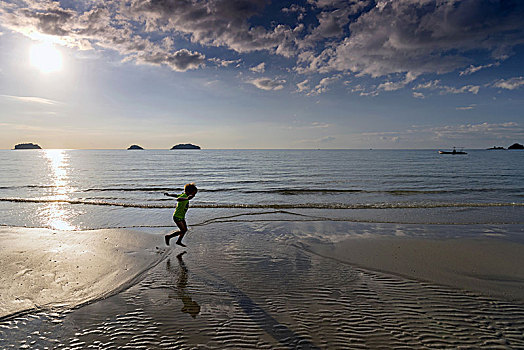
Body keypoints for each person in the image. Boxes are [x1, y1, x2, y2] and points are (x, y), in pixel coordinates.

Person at [164, 183, 198, 247]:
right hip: (177, 217)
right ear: (188, 192)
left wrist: (169, 195)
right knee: (183, 230)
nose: (194, 195)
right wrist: (187, 199)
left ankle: (179, 241)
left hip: (181, 217)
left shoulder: (184, 195)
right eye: (193, 194)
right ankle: (168, 237)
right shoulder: (184, 197)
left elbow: (176, 195)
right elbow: (178, 199)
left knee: (185, 230)